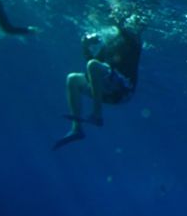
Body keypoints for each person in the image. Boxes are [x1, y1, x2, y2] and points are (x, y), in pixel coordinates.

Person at [53, 15, 144, 149]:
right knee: (73, 79)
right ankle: (76, 129)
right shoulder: (111, 42)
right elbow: (91, 71)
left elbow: (94, 66)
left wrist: (116, 19)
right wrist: (85, 46)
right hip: (109, 91)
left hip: (124, 91)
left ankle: (97, 114)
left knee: (93, 65)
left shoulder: (133, 40)